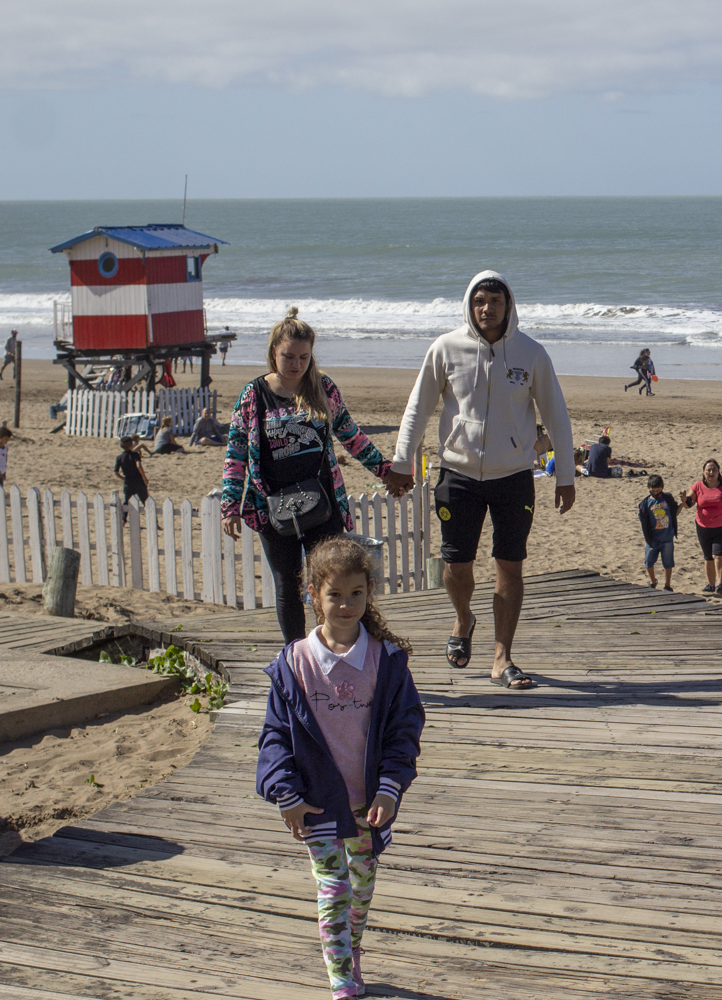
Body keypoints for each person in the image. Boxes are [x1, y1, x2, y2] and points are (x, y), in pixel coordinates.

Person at [386, 271, 575, 688]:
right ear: (469, 306)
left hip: (514, 476)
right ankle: (464, 617)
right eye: (479, 301)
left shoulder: (532, 354)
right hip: (458, 472)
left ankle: (502, 656)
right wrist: (402, 460)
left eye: (495, 300)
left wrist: (565, 475)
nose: (486, 308)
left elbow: (556, 415)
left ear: (509, 306)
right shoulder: (446, 348)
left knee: (510, 566)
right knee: (456, 567)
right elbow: (417, 408)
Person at [255, 537, 425, 1000]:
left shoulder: (386, 662)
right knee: (334, 888)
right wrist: (285, 796)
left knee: (361, 890)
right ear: (313, 595)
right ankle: (341, 980)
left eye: (356, 593)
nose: (346, 604)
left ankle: (350, 951)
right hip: (317, 804)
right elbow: (275, 736)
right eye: (334, 594)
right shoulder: (294, 664)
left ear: (369, 592)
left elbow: (404, 729)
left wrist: (390, 789)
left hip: (368, 803)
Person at [221, 308, 400, 646]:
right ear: (274, 352)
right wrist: (230, 506)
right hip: (272, 507)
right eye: (288, 356)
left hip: (323, 502)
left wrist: (385, 471)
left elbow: (351, 436)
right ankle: (295, 656)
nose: (296, 364)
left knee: (333, 581)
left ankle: (332, 648)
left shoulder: (323, 387)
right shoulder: (252, 395)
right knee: (287, 585)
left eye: (304, 357)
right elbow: (236, 454)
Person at [678, 458, 722, 596]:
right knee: (708, 557)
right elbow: (689, 504)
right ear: (703, 472)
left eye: (714, 470)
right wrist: (684, 500)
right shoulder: (697, 486)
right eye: (708, 470)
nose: (711, 472)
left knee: (719, 555)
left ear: (718, 472)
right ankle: (711, 584)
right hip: (703, 526)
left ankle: (721, 584)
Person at [637, 474, 678, 591]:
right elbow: (643, 521)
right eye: (653, 490)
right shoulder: (645, 503)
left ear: (663, 487)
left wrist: (684, 503)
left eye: (658, 490)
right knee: (648, 561)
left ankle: (667, 585)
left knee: (668, 563)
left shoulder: (667, 498)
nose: (655, 492)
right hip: (653, 538)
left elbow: (675, 512)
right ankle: (653, 581)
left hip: (667, 537)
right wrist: (648, 538)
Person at [114, 434, 148, 510]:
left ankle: (123, 520)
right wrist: (144, 478)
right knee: (146, 501)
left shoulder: (119, 457)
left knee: (126, 503)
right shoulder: (135, 455)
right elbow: (138, 466)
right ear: (131, 445)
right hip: (138, 481)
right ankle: (155, 521)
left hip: (128, 482)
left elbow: (116, 472)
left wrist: (124, 478)